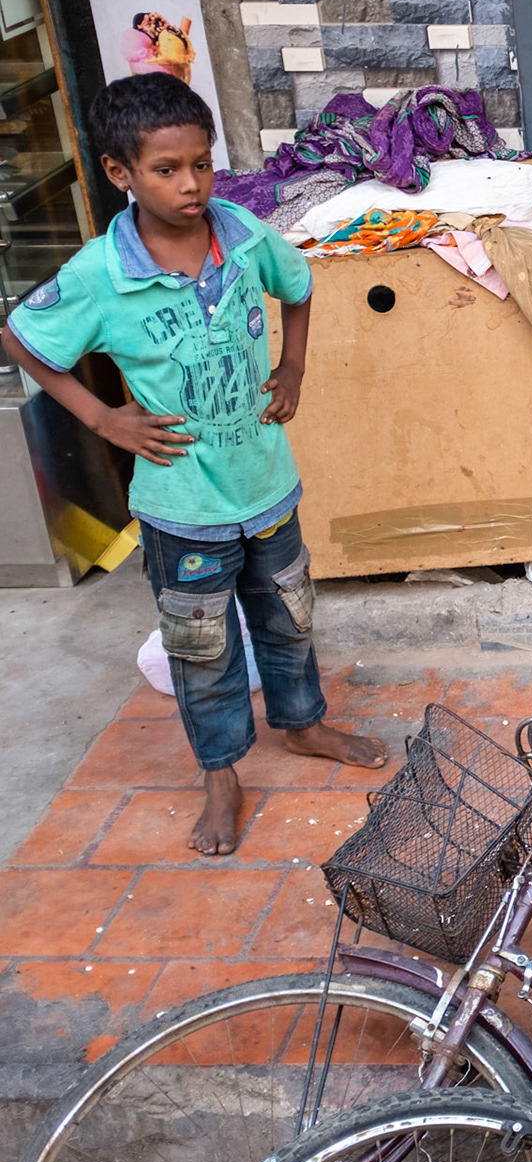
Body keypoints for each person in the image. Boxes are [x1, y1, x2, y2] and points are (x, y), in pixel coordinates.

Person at [1, 74, 386, 856]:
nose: (191, 184)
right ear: (121, 174)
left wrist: (294, 369)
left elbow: (300, 285)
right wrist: (104, 418)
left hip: (266, 486)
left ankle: (304, 724)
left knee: (288, 617)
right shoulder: (99, 275)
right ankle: (220, 771)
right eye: (167, 169)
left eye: (202, 164)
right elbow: (22, 337)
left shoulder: (243, 234)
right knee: (202, 649)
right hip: (183, 508)